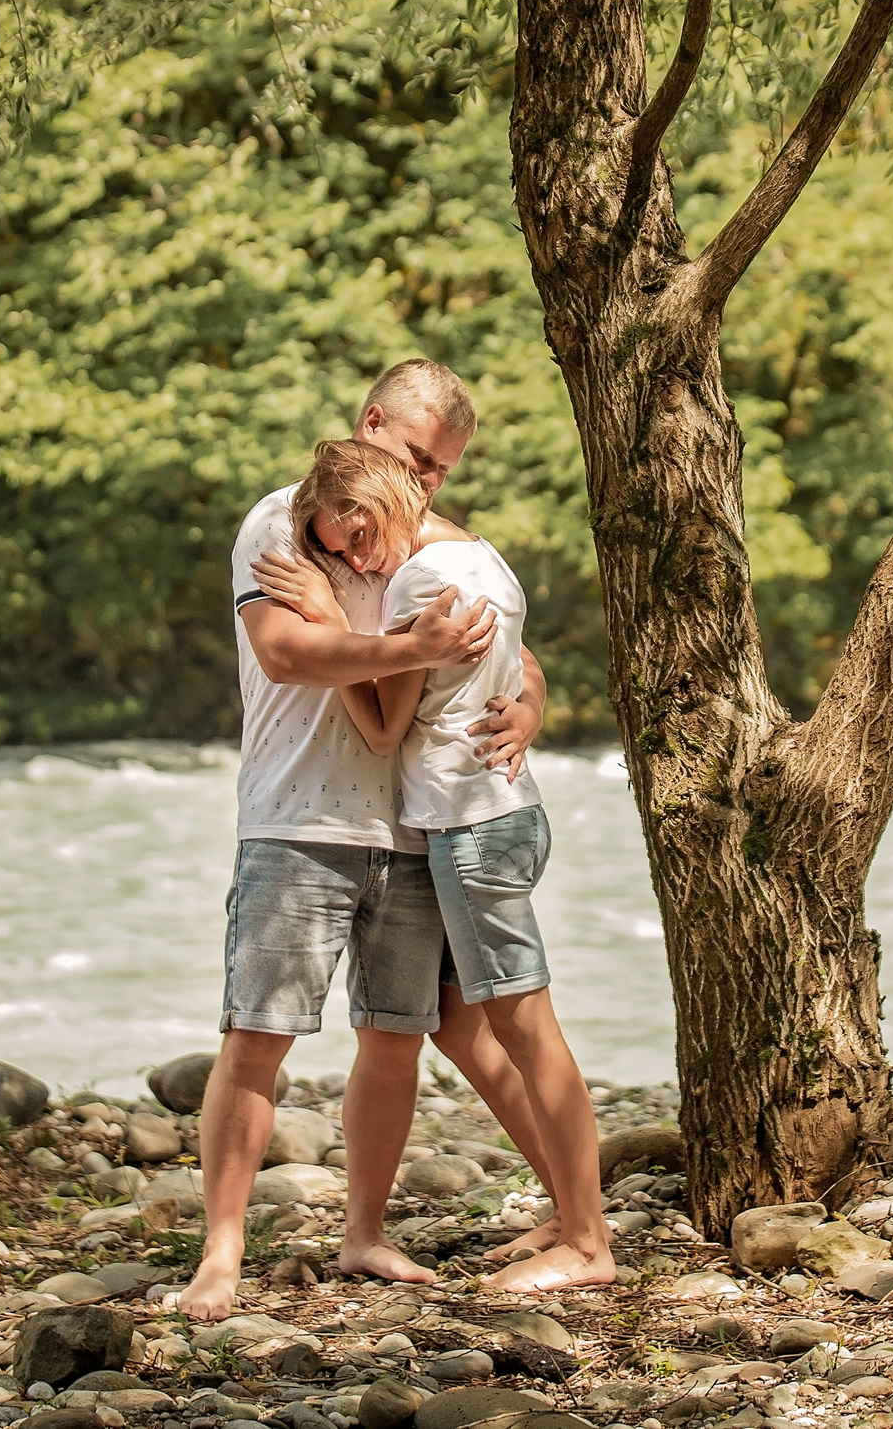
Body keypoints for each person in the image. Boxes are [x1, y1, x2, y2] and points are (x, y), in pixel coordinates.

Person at [176, 361, 552, 1321]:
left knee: (398, 1038)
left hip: (414, 822)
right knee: (255, 1035)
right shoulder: (285, 520)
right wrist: (407, 651)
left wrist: (532, 703)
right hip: (297, 819)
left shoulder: (425, 542)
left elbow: (508, 644)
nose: (426, 483)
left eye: (441, 471)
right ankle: (221, 1254)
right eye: (418, 458)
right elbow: (286, 653)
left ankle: (366, 1233)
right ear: (372, 422)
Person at [255, 440, 616, 1293]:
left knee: (529, 1028)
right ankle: (571, 1217)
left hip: (470, 826)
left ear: (386, 497)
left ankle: (589, 1244)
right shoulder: (483, 558)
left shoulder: (419, 584)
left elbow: (381, 731)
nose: (352, 557)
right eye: (337, 552)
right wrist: (527, 706)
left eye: (355, 535)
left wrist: (330, 622)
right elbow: (514, 669)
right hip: (505, 811)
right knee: (475, 1024)